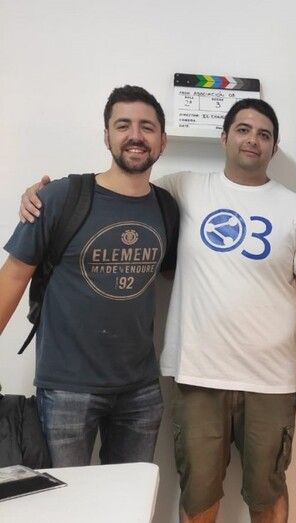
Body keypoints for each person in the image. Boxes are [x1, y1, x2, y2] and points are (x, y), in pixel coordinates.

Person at [20, 98, 296, 523]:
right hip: (196, 376)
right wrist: (42, 194)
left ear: (274, 147)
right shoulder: (181, 189)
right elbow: (120, 186)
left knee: (268, 491)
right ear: (223, 137)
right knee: (198, 495)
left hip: (272, 380)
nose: (252, 140)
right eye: (242, 129)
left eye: (264, 134)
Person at [1, 85, 178, 467]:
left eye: (147, 127)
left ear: (162, 140)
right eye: (123, 125)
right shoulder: (60, 197)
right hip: (67, 389)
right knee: (68, 497)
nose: (135, 135)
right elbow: (13, 277)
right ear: (106, 136)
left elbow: (175, 276)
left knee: (130, 498)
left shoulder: (167, 207)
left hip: (140, 390)